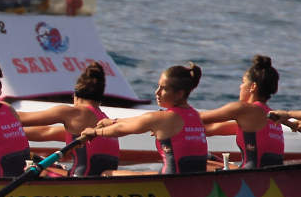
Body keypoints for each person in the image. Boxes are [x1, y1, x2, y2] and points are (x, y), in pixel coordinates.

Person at [80, 63, 208, 174]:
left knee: (106, 174)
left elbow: (122, 129)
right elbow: (141, 120)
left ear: (179, 94)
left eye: (164, 89)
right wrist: (113, 121)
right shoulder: (195, 115)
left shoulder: (163, 118)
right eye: (158, 86)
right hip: (194, 179)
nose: (157, 92)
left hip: (172, 184)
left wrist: (95, 132)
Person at [15, 62, 121, 176]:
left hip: (80, 179)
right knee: (47, 163)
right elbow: (46, 132)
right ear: (99, 100)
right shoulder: (105, 121)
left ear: (75, 96)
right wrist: (9, 134)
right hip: (101, 180)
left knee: (29, 167)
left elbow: (20, 119)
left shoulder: (72, 113)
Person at [198, 55, 284, 169]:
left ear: (253, 86)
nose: (240, 86)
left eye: (243, 82)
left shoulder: (244, 109)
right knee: (210, 159)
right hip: (270, 176)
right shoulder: (270, 115)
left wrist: (169, 116)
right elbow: (211, 129)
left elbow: (198, 117)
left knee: (202, 163)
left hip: (251, 178)